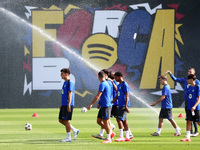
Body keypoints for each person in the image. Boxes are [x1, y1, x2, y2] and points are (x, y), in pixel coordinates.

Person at [166, 68, 199, 136]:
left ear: (194, 72)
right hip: (187, 101)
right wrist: (171, 74)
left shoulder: (197, 82)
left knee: (195, 118)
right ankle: (190, 132)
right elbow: (175, 79)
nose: (189, 72)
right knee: (189, 118)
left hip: (194, 102)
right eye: (188, 71)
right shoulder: (185, 80)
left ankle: (196, 131)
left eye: (190, 71)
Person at [87, 71, 113, 143]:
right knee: (99, 121)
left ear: (98, 77)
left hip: (106, 105)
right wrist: (99, 103)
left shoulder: (103, 84)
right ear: (104, 75)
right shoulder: (106, 83)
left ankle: (108, 138)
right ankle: (110, 132)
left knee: (106, 121)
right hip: (103, 105)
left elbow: (98, 95)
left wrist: (91, 104)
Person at [59, 68, 79, 142]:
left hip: (68, 104)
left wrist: (68, 105)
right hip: (64, 104)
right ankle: (74, 130)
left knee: (66, 120)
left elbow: (70, 94)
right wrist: (62, 104)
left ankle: (68, 137)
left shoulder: (70, 83)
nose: (61, 75)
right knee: (61, 120)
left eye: (62, 73)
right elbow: (64, 95)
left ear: (66, 74)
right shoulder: (65, 83)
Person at [111, 72, 131, 142]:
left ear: (120, 77)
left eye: (116, 77)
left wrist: (126, 106)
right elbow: (118, 94)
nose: (115, 79)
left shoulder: (124, 84)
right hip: (120, 104)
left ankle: (121, 136)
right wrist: (113, 100)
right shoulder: (119, 85)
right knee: (124, 121)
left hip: (123, 105)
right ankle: (128, 137)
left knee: (118, 119)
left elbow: (127, 95)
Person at [181, 74, 200, 142]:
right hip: (189, 108)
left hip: (196, 108)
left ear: (191, 80)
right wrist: (189, 106)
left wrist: (194, 106)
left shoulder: (197, 87)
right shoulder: (189, 87)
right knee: (188, 121)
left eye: (188, 79)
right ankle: (188, 138)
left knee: (198, 122)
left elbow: (199, 99)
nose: (187, 80)